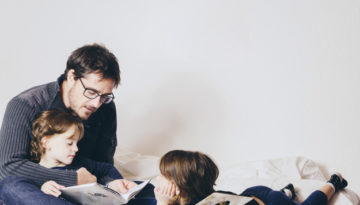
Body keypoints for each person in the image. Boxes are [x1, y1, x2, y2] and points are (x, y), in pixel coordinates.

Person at [0, 43, 121, 187]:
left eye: (104, 96)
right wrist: (71, 179)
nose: (96, 104)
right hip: (38, 191)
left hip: (86, 191)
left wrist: (112, 185)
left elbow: (103, 165)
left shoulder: (105, 107)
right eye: (91, 92)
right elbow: (9, 167)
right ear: (71, 76)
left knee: (144, 190)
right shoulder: (26, 105)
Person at [0, 110, 155, 205]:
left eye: (77, 143)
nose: (76, 149)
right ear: (45, 141)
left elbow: (106, 168)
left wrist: (113, 183)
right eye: (69, 143)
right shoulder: (33, 173)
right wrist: (43, 188)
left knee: (145, 187)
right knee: (9, 184)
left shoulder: (80, 164)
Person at [154, 150, 348, 205]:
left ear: (178, 186)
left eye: (163, 175)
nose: (158, 178)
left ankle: (333, 182)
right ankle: (287, 192)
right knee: (284, 195)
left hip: (266, 199)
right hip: (248, 195)